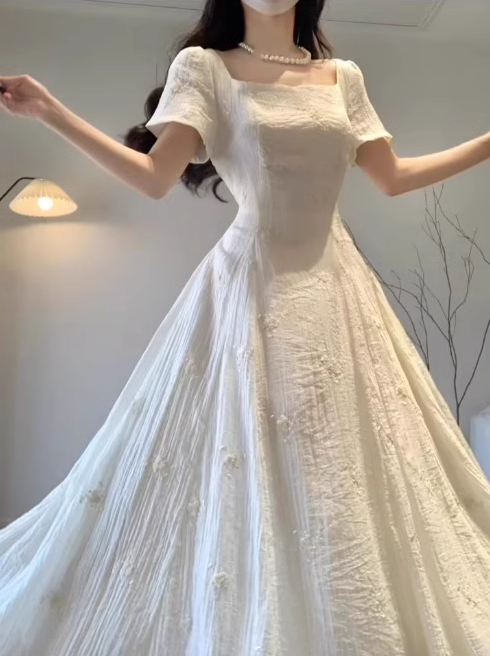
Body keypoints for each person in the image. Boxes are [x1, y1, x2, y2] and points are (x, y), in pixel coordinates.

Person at [1, 0, 489, 653]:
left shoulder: (343, 77)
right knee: (257, 464)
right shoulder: (204, 67)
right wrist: (49, 112)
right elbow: (154, 177)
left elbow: (393, 178)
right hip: (254, 288)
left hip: (340, 291)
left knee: (348, 467)